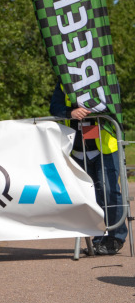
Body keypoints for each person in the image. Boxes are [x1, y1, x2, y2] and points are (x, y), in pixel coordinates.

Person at [50, 84, 127, 255]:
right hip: (78, 149)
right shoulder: (64, 80)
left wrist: (93, 107)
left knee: (109, 191)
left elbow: (114, 104)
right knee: (88, 195)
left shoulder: (104, 76)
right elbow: (54, 107)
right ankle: (98, 238)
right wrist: (71, 113)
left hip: (105, 148)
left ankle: (115, 237)